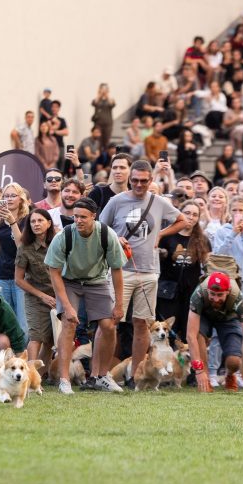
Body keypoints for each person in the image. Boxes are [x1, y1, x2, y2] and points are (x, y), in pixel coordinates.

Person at [99, 160, 185, 373]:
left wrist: (160, 234)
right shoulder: (116, 201)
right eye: (135, 180)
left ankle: (137, 374)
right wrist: (115, 238)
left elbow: (183, 221)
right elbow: (100, 228)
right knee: (110, 323)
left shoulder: (159, 202)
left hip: (149, 271)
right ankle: (100, 373)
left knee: (142, 324)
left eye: (143, 181)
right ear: (130, 179)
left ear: (151, 180)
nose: (139, 185)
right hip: (121, 271)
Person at [46, 198, 126, 394]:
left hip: (96, 280)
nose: (78, 221)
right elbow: (54, 271)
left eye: (83, 217)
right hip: (69, 280)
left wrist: (119, 304)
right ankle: (64, 380)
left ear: (93, 216)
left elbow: (116, 270)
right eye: (75, 217)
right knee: (69, 323)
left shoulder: (107, 234)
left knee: (108, 326)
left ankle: (102, 376)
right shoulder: (64, 236)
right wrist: (67, 306)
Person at [186, 272, 243, 393]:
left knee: (234, 361)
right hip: (205, 315)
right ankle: (205, 379)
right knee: (198, 336)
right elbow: (190, 336)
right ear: (207, 290)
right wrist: (199, 370)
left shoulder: (238, 299)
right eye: (212, 294)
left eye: (220, 295)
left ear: (228, 291)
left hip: (229, 317)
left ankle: (230, 375)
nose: (215, 299)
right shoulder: (198, 294)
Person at [157, 200, 209, 340]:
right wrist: (161, 252)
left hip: (191, 293)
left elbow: (207, 264)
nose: (190, 217)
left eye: (194, 214)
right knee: (167, 333)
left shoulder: (202, 239)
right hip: (168, 292)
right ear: (179, 214)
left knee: (188, 333)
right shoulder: (167, 235)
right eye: (187, 213)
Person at [14, 208, 56, 362]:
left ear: (49, 223)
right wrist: (42, 296)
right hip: (36, 297)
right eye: (33, 221)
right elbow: (18, 279)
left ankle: (42, 375)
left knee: (51, 339)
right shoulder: (25, 247)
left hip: (60, 296)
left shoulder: (58, 243)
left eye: (40, 220)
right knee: (36, 336)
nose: (36, 224)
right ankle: (31, 376)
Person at [0, 183, 29, 333]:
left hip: (22, 276)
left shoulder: (27, 220)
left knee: (23, 321)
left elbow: (21, 247)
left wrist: (12, 222)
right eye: (6, 196)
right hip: (1, 275)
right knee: (4, 320)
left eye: (13, 195)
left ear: (21, 199)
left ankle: (21, 355)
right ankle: (7, 355)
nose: (9, 199)